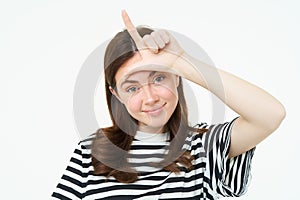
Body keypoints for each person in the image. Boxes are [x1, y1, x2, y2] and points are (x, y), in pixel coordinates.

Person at [51, 10, 286, 200]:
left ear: (177, 78)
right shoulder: (91, 151)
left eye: (159, 78)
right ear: (117, 95)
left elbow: (270, 115)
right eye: (132, 88)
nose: (150, 97)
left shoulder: (202, 146)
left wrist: (181, 61)